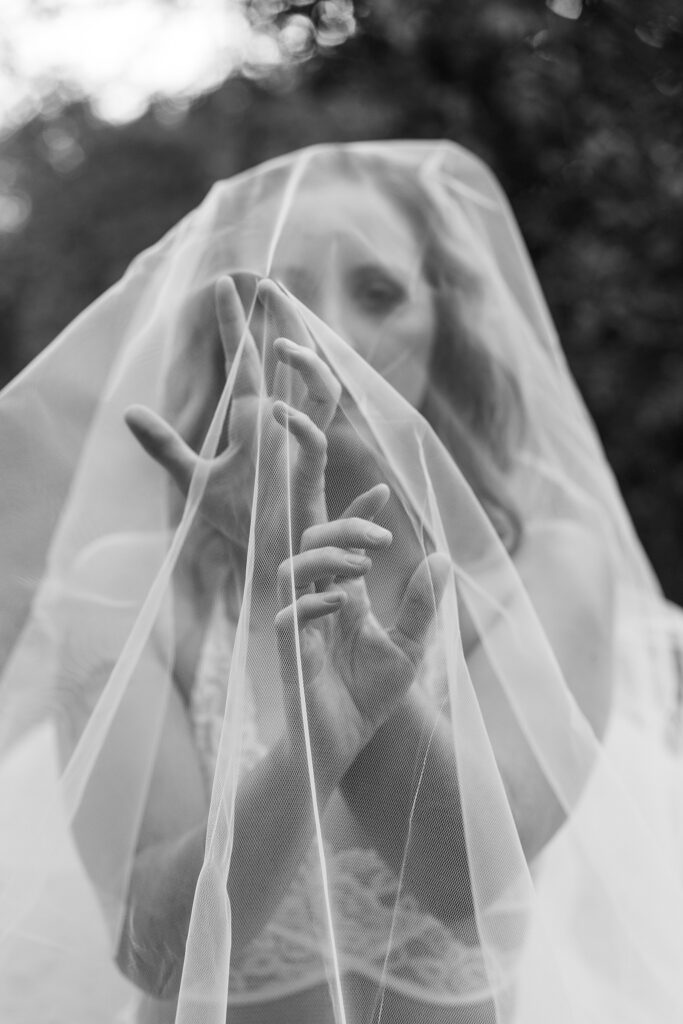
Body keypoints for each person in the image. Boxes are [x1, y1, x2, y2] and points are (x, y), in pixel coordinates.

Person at [0, 141, 681, 1024]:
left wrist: (362, 697)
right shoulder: (127, 583)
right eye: (283, 294)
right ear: (233, 326)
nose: (328, 334)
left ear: (445, 324)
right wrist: (306, 750)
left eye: (378, 291)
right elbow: (156, 954)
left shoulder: (543, 567)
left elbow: (474, 889)